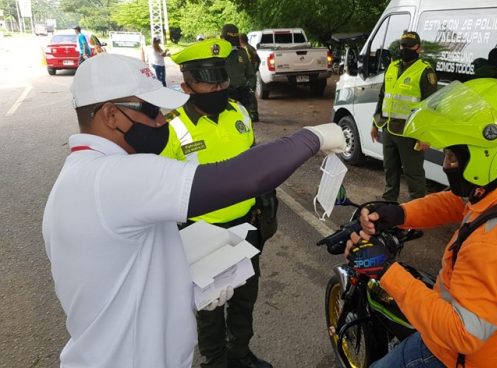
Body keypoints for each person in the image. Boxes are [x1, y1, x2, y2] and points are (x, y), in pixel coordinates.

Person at [42, 52, 345, 368]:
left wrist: (185, 284)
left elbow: (125, 273)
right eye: (150, 110)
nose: (161, 121)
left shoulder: (85, 174)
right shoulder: (110, 177)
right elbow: (238, 178)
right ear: (111, 114)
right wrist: (313, 136)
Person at [346, 78, 497, 368]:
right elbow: (460, 202)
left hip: (472, 357)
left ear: (485, 156)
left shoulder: (496, 240)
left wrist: (386, 271)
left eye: (453, 157)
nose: (445, 165)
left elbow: (461, 334)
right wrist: (400, 214)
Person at [160, 38, 269, 368]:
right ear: (187, 85)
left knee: (244, 299)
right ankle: (215, 361)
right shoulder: (171, 127)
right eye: (210, 80)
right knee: (209, 309)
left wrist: (265, 199)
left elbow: (252, 160)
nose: (220, 86)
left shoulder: (239, 114)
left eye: (222, 78)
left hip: (246, 226)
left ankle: (240, 353)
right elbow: (161, 188)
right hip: (200, 235)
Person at [372, 31, 438, 202]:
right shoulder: (392, 67)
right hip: (388, 129)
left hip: (410, 133)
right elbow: (383, 96)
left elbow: (430, 106)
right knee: (390, 170)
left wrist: (425, 136)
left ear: (419, 48)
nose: (406, 49)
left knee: (413, 174)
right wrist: (375, 123)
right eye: (403, 45)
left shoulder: (425, 71)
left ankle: (418, 213)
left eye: (410, 46)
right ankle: (388, 206)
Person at [221, 24, 258, 122]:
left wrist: (248, 88)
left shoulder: (242, 53)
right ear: (222, 38)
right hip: (224, 99)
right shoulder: (218, 55)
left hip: (242, 98)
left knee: (245, 124)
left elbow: (251, 75)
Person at [240, 32, 261, 122]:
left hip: (249, 76)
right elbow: (258, 60)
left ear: (241, 40)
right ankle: (253, 113)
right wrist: (255, 70)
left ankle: (253, 114)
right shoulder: (252, 48)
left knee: (250, 95)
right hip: (252, 75)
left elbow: (247, 64)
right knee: (251, 94)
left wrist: (251, 71)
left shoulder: (245, 50)